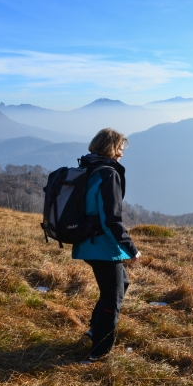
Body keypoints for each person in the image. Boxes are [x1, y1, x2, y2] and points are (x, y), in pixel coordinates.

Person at [72, 128, 141, 361]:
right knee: (112, 298)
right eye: (120, 148)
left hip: (86, 242)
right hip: (102, 245)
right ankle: (98, 352)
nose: (122, 153)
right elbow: (111, 219)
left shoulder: (86, 166)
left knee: (120, 282)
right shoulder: (108, 174)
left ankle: (95, 328)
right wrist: (131, 248)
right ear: (111, 148)